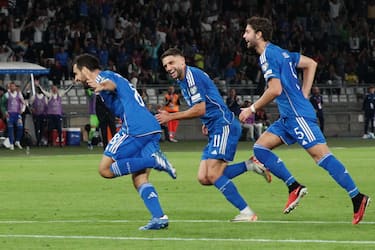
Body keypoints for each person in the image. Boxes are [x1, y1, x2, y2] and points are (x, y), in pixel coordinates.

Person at [240, 16, 370, 224]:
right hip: (288, 117)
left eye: (247, 31)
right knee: (260, 149)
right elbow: (311, 64)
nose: (244, 35)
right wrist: (304, 94)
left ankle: (357, 197)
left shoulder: (267, 56)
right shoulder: (282, 53)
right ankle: (294, 186)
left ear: (259, 34)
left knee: (322, 157)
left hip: (297, 116)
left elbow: (275, 89)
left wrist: (252, 108)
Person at [157, 48, 271, 222]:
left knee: (213, 174)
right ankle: (249, 165)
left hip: (223, 124)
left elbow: (200, 108)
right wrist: (205, 122)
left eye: (171, 63)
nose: (168, 68)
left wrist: (170, 116)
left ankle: (247, 212)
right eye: (165, 65)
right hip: (215, 125)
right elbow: (209, 101)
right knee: (204, 178)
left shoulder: (191, 77)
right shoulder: (184, 80)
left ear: (182, 61)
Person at [72, 53, 177, 230]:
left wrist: (100, 86)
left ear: (84, 70)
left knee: (104, 169)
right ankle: (159, 217)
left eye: (76, 73)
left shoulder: (103, 77)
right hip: (149, 126)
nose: (75, 79)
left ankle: (155, 160)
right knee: (140, 178)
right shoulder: (110, 76)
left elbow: (109, 85)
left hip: (135, 127)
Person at [4, 82, 25, 150]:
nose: (12, 88)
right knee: (10, 129)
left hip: (17, 114)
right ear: (9, 87)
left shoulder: (19, 94)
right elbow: (2, 103)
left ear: (15, 87)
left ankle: (17, 141)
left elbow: (23, 102)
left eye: (13, 86)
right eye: (11, 87)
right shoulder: (7, 94)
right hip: (10, 114)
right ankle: (11, 144)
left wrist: (23, 109)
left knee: (20, 128)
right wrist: (5, 111)